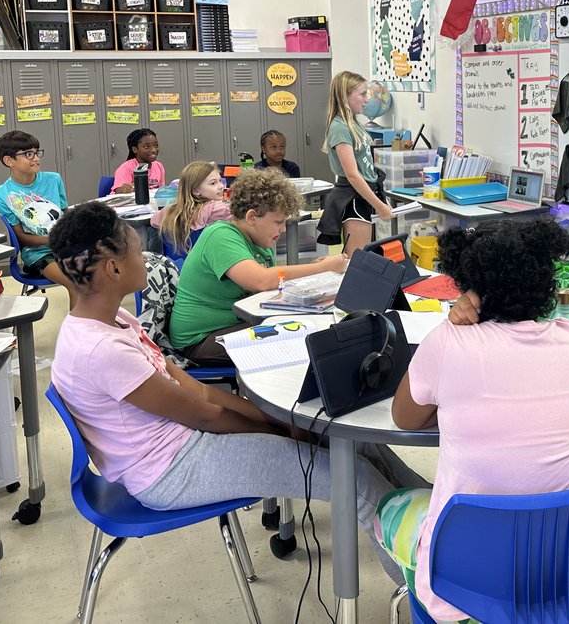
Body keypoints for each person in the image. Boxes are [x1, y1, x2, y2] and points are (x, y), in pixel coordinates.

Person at [47, 200, 427, 581]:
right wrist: (278, 427)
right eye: (136, 253)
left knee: (354, 440)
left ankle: (437, 515)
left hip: (187, 441)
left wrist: (279, 421)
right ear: (113, 268)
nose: (145, 260)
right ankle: (424, 592)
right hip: (171, 470)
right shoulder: (101, 350)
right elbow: (202, 415)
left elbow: (202, 394)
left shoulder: (117, 320)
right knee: (357, 482)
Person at [374, 218, 569, 622]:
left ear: (468, 285)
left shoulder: (449, 341)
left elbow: (404, 417)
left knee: (387, 505)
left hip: (472, 579)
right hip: (568, 575)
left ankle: (422, 584)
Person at [169, 168, 348, 365]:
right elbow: (261, 280)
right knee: (296, 344)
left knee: (307, 331)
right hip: (200, 339)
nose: (282, 229)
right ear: (252, 217)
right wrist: (323, 268)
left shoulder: (260, 241)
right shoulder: (220, 236)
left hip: (236, 323)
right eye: (278, 222)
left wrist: (309, 277)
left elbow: (274, 281)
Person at [316, 71, 393, 255]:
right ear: (345, 97)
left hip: (363, 194)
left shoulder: (353, 123)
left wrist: (381, 200)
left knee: (362, 258)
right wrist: (380, 206)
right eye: (362, 94)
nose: (367, 99)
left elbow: (366, 169)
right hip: (352, 197)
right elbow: (352, 174)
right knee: (356, 262)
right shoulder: (340, 127)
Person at [0, 129, 75, 298]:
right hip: (38, 253)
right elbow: (21, 238)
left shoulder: (54, 179)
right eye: (28, 154)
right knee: (75, 283)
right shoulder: (2, 195)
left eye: (37, 153)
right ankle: (78, 325)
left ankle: (105, 322)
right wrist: (54, 241)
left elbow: (66, 215)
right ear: (9, 161)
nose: (36, 158)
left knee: (100, 276)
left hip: (67, 246)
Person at [151, 161, 231, 255]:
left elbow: (153, 221)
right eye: (213, 183)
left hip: (177, 264)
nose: (221, 186)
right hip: (208, 264)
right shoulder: (217, 209)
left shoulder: (170, 210)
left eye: (220, 181)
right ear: (196, 191)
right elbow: (242, 217)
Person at [111, 128, 165, 194]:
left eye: (156, 145)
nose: (154, 150)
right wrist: (123, 189)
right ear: (135, 149)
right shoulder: (126, 168)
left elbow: (161, 191)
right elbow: (118, 191)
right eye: (147, 147)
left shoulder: (159, 166)